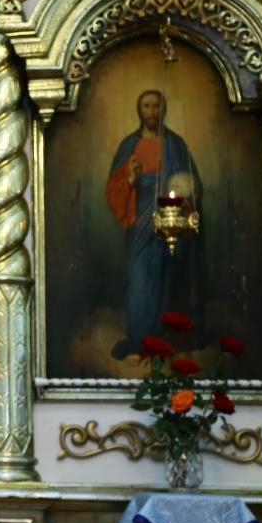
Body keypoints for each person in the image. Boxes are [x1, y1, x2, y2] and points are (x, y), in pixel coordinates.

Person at [105, 89, 202, 360]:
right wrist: (130, 180)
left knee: (165, 274)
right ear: (140, 110)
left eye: (156, 106)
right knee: (139, 277)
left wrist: (184, 191)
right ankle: (138, 337)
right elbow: (113, 188)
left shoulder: (176, 144)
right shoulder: (130, 145)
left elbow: (193, 183)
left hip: (170, 217)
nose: (151, 111)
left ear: (163, 110)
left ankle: (161, 338)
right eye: (146, 106)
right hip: (140, 217)